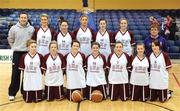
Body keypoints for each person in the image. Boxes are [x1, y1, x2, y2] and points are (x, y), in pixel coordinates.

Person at [7, 11, 34, 101]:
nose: (23, 19)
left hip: (27, 54)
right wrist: (14, 47)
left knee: (26, 73)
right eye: (22, 17)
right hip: (17, 53)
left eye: (25, 18)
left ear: (27, 18)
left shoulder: (31, 29)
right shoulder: (13, 28)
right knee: (15, 73)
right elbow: (10, 39)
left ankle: (24, 91)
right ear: (19, 18)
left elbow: (32, 41)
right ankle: (12, 93)